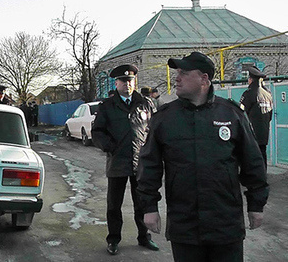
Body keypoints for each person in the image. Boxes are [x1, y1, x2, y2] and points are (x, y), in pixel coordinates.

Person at [136, 52, 269, 262]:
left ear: (204, 79)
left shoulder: (231, 114)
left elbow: (252, 162)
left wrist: (256, 205)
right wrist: (149, 207)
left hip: (225, 222)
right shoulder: (165, 118)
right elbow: (148, 166)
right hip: (184, 223)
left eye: (184, 73)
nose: (177, 78)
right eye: (177, 72)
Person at [92, 64, 158, 255]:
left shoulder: (145, 103)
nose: (127, 85)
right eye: (123, 81)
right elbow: (97, 132)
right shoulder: (107, 106)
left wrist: (152, 152)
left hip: (141, 163)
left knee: (142, 203)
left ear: (134, 82)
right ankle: (113, 239)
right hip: (117, 162)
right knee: (114, 205)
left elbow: (154, 130)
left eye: (130, 81)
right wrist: (109, 147)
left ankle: (144, 237)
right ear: (117, 83)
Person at [240, 66, 273, 168]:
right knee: (262, 152)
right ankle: (263, 175)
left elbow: (241, 112)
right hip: (264, 131)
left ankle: (255, 177)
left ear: (251, 79)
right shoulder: (268, 94)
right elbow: (270, 115)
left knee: (251, 155)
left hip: (251, 131)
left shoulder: (249, 94)